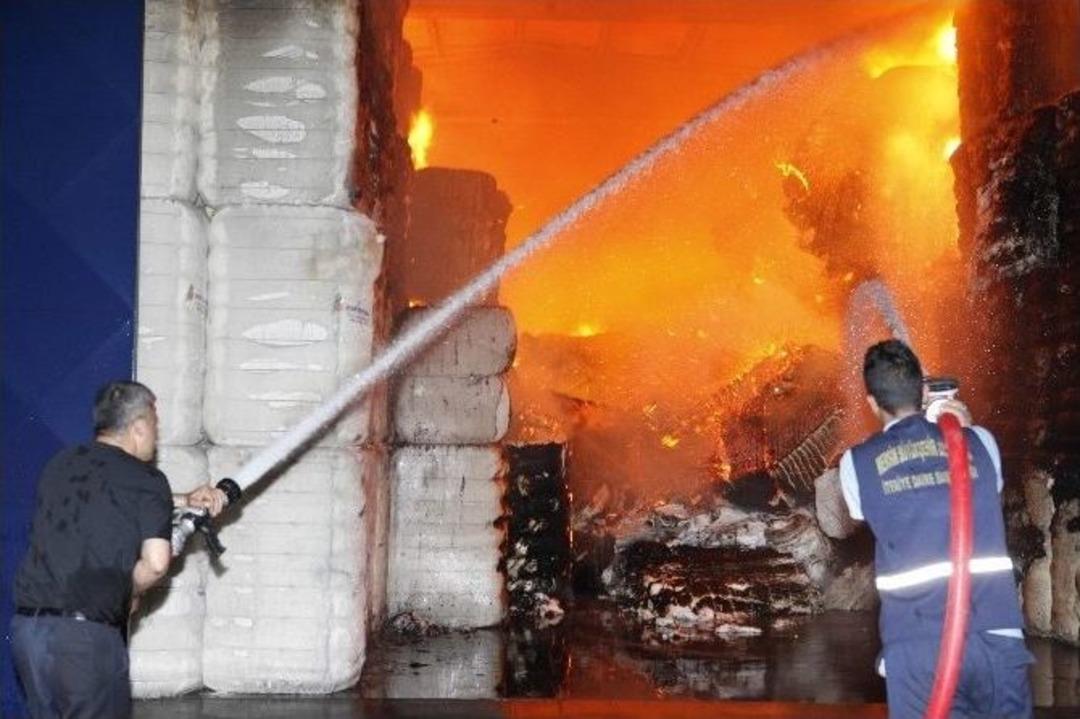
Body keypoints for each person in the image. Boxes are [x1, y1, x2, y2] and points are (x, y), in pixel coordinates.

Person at [838, 340, 1034, 719]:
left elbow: (866, 512)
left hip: (917, 647)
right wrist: (960, 425)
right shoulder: (980, 442)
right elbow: (983, 489)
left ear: (872, 403)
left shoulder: (855, 464)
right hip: (997, 635)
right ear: (924, 390)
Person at [10, 380, 227, 719]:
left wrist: (185, 500)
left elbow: (110, 496)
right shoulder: (146, 479)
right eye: (155, 426)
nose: (156, 437)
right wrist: (129, 592)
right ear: (139, 427)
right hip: (85, 643)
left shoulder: (61, 464)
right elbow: (155, 564)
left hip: (29, 637)